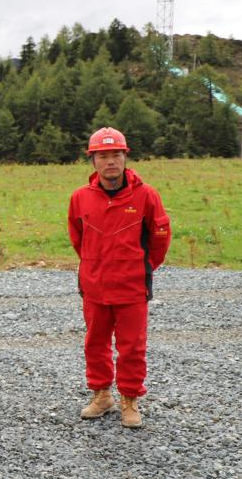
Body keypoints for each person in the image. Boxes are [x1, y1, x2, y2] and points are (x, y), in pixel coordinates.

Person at [68, 127, 171, 428]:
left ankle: (130, 399)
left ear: (126, 157)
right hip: (94, 286)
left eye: (116, 155)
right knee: (95, 343)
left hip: (132, 286)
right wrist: (93, 264)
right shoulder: (80, 198)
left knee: (132, 347)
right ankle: (102, 395)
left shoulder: (146, 196)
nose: (110, 161)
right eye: (102, 156)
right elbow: (77, 238)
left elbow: (160, 238)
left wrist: (142, 266)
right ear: (92, 161)